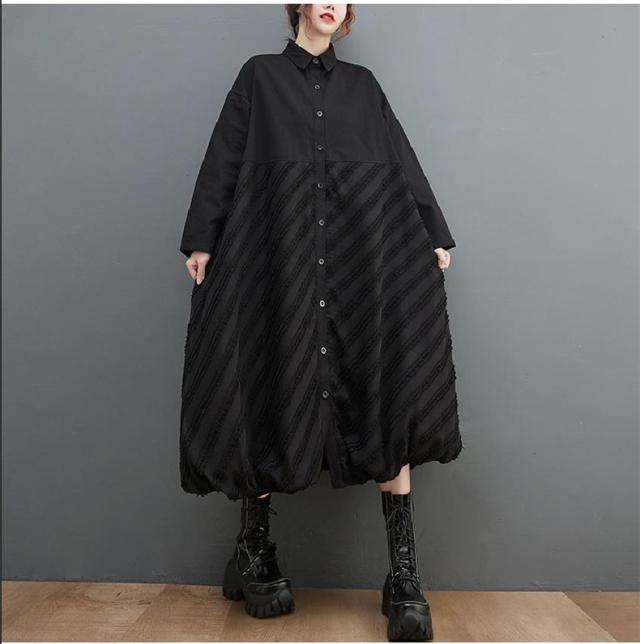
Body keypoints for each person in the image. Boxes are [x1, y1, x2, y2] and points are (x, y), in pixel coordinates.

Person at [179, 4, 464, 641]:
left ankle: (403, 574)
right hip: (275, 261)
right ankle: (254, 550)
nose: (332, 1)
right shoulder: (259, 77)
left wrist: (431, 232)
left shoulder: (363, 88)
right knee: (265, 379)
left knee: (385, 390)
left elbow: (400, 160)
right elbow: (225, 157)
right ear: (300, 6)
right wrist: (202, 238)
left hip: (358, 267)